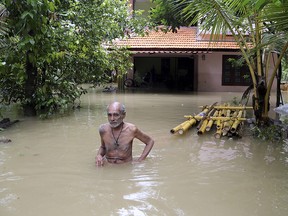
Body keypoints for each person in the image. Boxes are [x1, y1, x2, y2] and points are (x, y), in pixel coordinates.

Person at [95, 102, 154, 166]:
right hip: (108, 165)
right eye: (109, 115)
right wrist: (99, 155)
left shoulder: (131, 130)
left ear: (123, 115)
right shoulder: (103, 129)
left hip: (126, 166)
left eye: (116, 115)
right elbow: (103, 147)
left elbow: (150, 141)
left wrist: (140, 160)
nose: (112, 119)